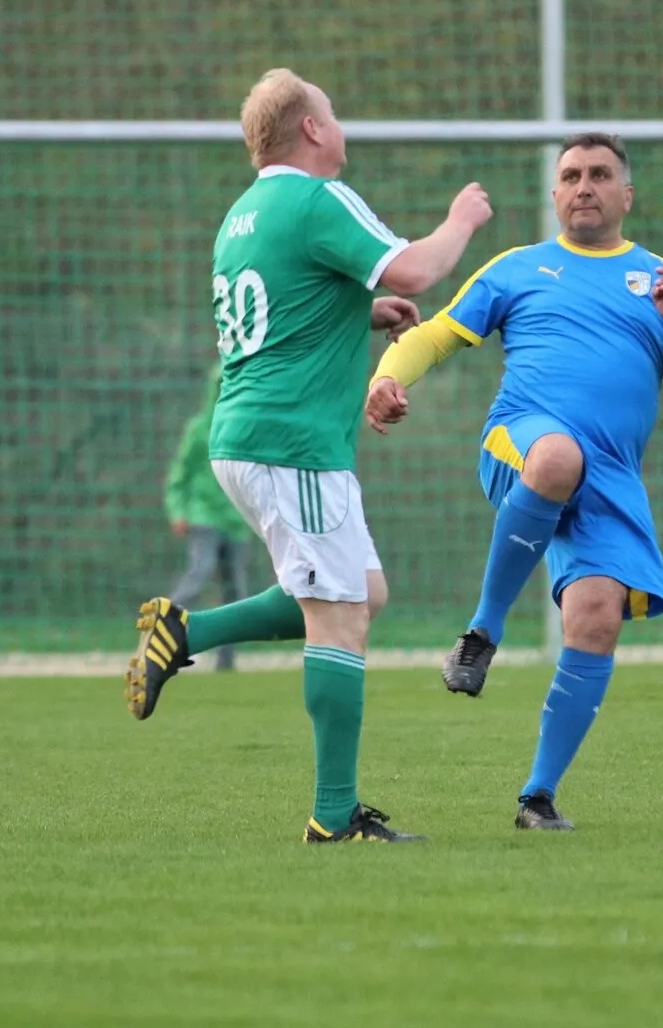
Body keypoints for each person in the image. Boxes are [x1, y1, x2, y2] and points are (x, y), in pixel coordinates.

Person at [126, 68, 491, 844]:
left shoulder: (242, 215)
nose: (340, 125)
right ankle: (334, 814)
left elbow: (286, 314)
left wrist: (361, 311)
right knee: (341, 615)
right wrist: (461, 219)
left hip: (250, 436)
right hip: (292, 444)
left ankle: (184, 633)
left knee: (363, 592)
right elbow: (418, 267)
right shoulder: (317, 197)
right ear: (313, 129)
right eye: (333, 112)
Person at [365, 131, 663, 831]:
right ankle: (483, 629)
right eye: (571, 175)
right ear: (554, 194)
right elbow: (437, 333)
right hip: (522, 442)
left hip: (611, 478)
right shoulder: (518, 267)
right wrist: (387, 377)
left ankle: (537, 799)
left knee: (597, 617)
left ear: (626, 195)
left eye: (600, 174)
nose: (584, 186)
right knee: (556, 459)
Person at [162, 365, 249, 671]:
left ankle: (226, 661)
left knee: (235, 593)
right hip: (204, 515)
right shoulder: (199, 430)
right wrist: (178, 511)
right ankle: (163, 627)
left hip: (237, 520)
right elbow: (179, 475)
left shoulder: (246, 428)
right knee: (200, 572)